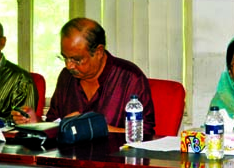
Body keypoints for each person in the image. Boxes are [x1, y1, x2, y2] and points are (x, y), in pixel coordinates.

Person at [12, 17, 156, 136]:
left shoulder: (130, 78)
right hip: (69, 162)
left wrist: (91, 126)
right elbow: (55, 122)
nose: (69, 66)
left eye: (76, 59)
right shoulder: (66, 77)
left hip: (113, 165)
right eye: (65, 58)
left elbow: (145, 135)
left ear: (99, 52)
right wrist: (36, 122)